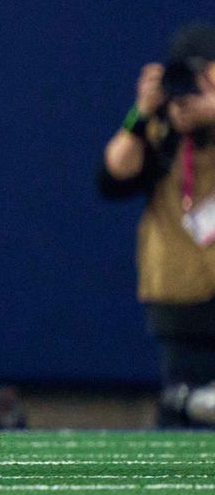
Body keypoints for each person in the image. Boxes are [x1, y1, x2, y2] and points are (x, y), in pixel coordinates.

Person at [100, 21, 215, 428]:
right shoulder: (161, 132)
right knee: (183, 420)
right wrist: (142, 112)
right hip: (179, 306)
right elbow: (112, 176)